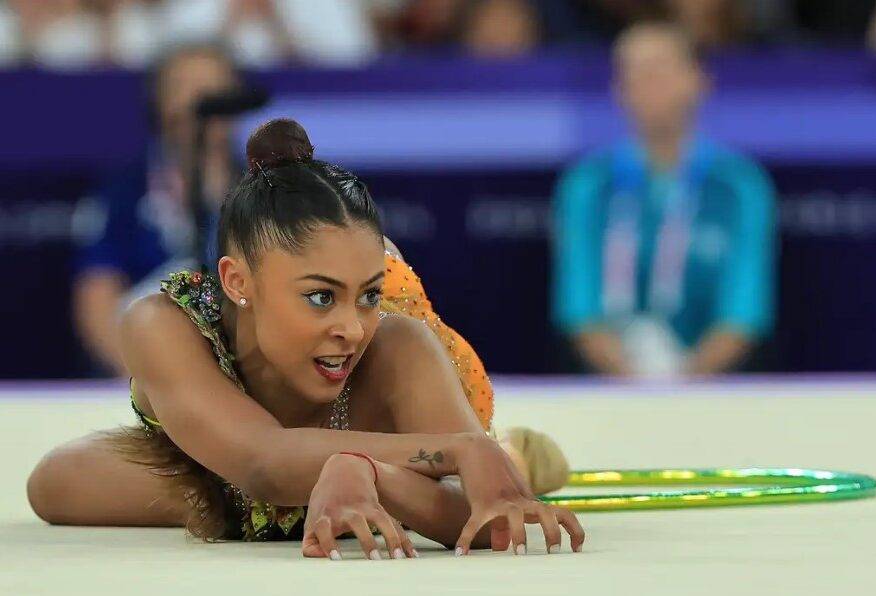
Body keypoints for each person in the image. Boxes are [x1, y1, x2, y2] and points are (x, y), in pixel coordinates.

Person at [28, 119, 584, 560]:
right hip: (226, 461)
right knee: (55, 484)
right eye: (320, 297)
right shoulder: (161, 322)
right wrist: (452, 451)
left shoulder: (396, 345)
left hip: (389, 424)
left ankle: (516, 451)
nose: (351, 326)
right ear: (237, 281)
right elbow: (264, 462)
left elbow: (477, 520)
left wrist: (380, 473)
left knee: (493, 463)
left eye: (367, 295)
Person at [551, 22, 776, 378]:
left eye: (661, 69)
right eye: (635, 73)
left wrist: (682, 386)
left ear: (699, 79)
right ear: (618, 89)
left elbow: (743, 311)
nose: (649, 85)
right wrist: (635, 383)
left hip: (713, 392)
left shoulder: (738, 185)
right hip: (610, 389)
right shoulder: (588, 184)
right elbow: (581, 308)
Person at [73, 44, 241, 375]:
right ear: (158, 102)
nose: (201, 100)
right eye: (184, 87)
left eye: (214, 87)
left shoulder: (270, 190)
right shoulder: (122, 194)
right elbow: (96, 303)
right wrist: (148, 386)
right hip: (143, 373)